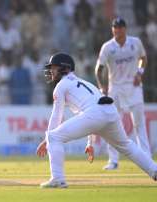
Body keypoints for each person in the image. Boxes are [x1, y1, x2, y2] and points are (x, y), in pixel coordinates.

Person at [36, 53, 157, 188]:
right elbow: (90, 113)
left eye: (54, 67)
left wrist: (48, 140)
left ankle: (58, 179)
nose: (51, 71)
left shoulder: (61, 86)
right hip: (110, 111)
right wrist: (90, 143)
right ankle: (155, 170)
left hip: (96, 114)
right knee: (127, 146)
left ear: (64, 68)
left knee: (54, 137)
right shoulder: (85, 83)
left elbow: (56, 116)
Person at [95, 17, 152, 170]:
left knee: (139, 123)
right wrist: (102, 87)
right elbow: (99, 69)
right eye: (114, 27)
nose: (117, 30)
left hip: (133, 87)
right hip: (115, 88)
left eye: (119, 27)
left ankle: (147, 159)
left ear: (125, 29)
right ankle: (113, 160)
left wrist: (139, 73)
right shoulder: (108, 47)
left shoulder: (135, 42)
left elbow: (143, 58)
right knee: (112, 123)